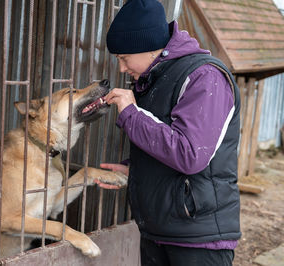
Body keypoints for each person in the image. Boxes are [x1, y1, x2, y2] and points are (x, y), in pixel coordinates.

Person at [100, 0, 241, 265]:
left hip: (198, 239)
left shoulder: (204, 76)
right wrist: (138, 170)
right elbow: (166, 140)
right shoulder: (158, 78)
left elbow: (190, 154)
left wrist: (131, 113)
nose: (121, 68)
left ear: (147, 48)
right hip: (160, 232)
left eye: (123, 58)